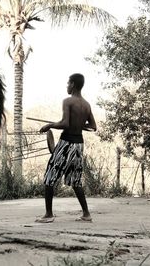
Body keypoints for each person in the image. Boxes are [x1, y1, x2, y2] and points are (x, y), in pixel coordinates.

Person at [35, 73, 97, 223]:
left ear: (73, 84)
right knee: (76, 180)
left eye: (68, 83)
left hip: (66, 143)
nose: (67, 86)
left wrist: (49, 125)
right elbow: (93, 126)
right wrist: (79, 124)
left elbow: (65, 124)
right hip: (78, 145)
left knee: (50, 177)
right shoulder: (86, 105)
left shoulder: (68, 101)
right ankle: (86, 214)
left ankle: (49, 215)